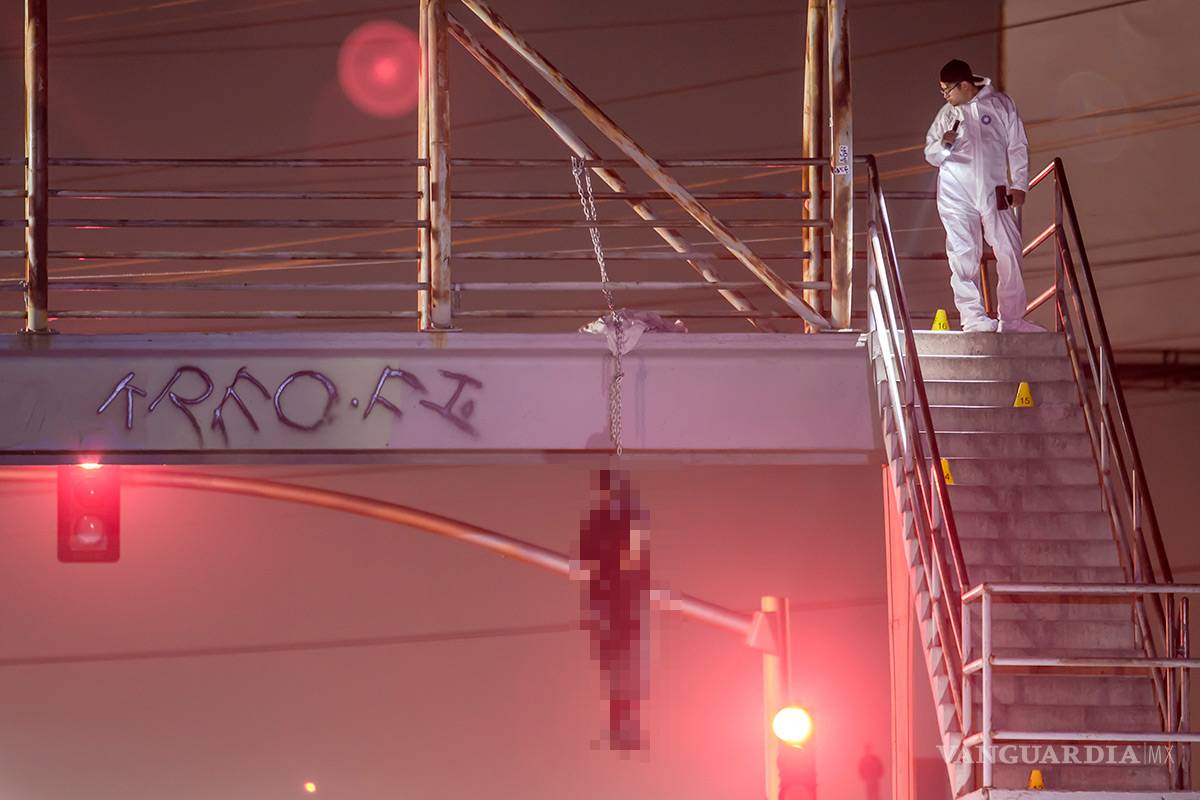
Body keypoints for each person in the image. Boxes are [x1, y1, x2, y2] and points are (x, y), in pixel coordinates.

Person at [924, 59, 1043, 333]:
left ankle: (1012, 319)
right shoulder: (947, 114)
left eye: (947, 90)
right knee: (963, 254)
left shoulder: (1001, 104)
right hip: (956, 192)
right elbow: (930, 153)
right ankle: (973, 318)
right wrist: (944, 145)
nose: (945, 96)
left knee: (1009, 249)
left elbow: (1017, 145)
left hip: (995, 190)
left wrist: (1020, 185)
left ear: (964, 84)